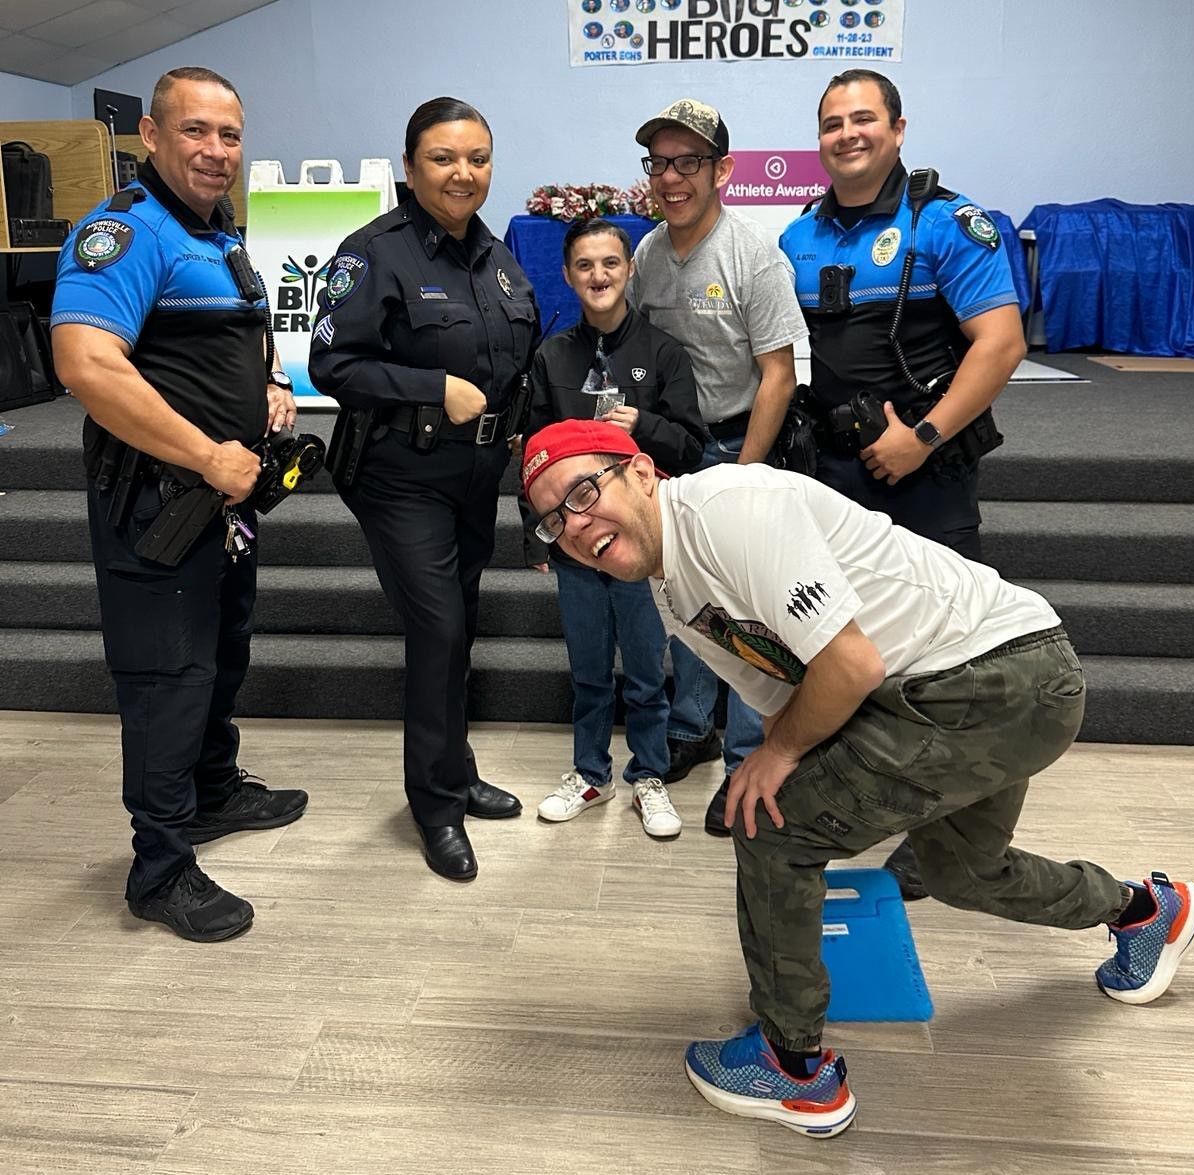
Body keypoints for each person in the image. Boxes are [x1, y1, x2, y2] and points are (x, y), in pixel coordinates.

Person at [521, 419, 1194, 1139]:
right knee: (961, 868)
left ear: (643, 470)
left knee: (774, 824)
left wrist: (776, 762)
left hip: (997, 673)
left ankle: (792, 1065)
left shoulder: (728, 508)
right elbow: (788, 690)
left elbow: (848, 666)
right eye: (553, 519)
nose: (574, 523)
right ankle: (1143, 909)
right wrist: (793, 756)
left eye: (585, 490)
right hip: (983, 684)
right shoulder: (674, 593)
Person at [50, 66, 308, 944]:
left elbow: (235, 333)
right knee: (167, 680)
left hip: (222, 504)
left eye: (229, 134)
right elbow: (85, 364)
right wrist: (207, 453)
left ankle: (211, 790)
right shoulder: (123, 233)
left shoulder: (217, 230)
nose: (215, 150)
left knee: (222, 650)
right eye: (194, 131)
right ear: (151, 137)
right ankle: (159, 868)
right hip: (157, 505)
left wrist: (269, 379)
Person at [779, 69, 1027, 900]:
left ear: (897, 127)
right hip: (839, 481)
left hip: (925, 474)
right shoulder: (799, 236)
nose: (846, 133)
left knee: (954, 654)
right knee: (858, 651)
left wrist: (921, 438)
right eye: (831, 122)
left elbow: (1000, 342)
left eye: (862, 119)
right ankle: (874, 804)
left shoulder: (948, 222)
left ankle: (950, 838)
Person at [309, 97, 537, 883]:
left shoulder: (498, 254)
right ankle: (434, 804)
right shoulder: (373, 252)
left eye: (476, 157)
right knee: (437, 628)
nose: (462, 172)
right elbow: (331, 366)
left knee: (461, 622)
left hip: (476, 473)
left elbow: (518, 351)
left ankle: (457, 767)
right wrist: (431, 384)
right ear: (410, 166)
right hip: (399, 475)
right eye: (443, 157)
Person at [630, 98, 807, 835]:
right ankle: (692, 724)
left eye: (688, 162)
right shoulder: (644, 255)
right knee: (684, 600)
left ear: (722, 171)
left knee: (743, 608)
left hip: (739, 444)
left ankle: (743, 761)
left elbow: (780, 373)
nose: (671, 178)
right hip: (673, 449)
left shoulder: (752, 253)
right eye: (659, 163)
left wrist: (746, 473)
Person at [524, 217, 706, 839]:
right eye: (584, 265)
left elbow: (691, 447)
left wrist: (644, 427)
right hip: (576, 548)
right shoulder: (552, 357)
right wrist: (536, 531)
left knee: (649, 670)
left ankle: (650, 774)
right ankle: (590, 772)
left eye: (610, 263)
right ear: (569, 275)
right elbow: (530, 457)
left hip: (638, 548)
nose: (598, 276)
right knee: (589, 667)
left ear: (629, 270)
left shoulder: (663, 353)